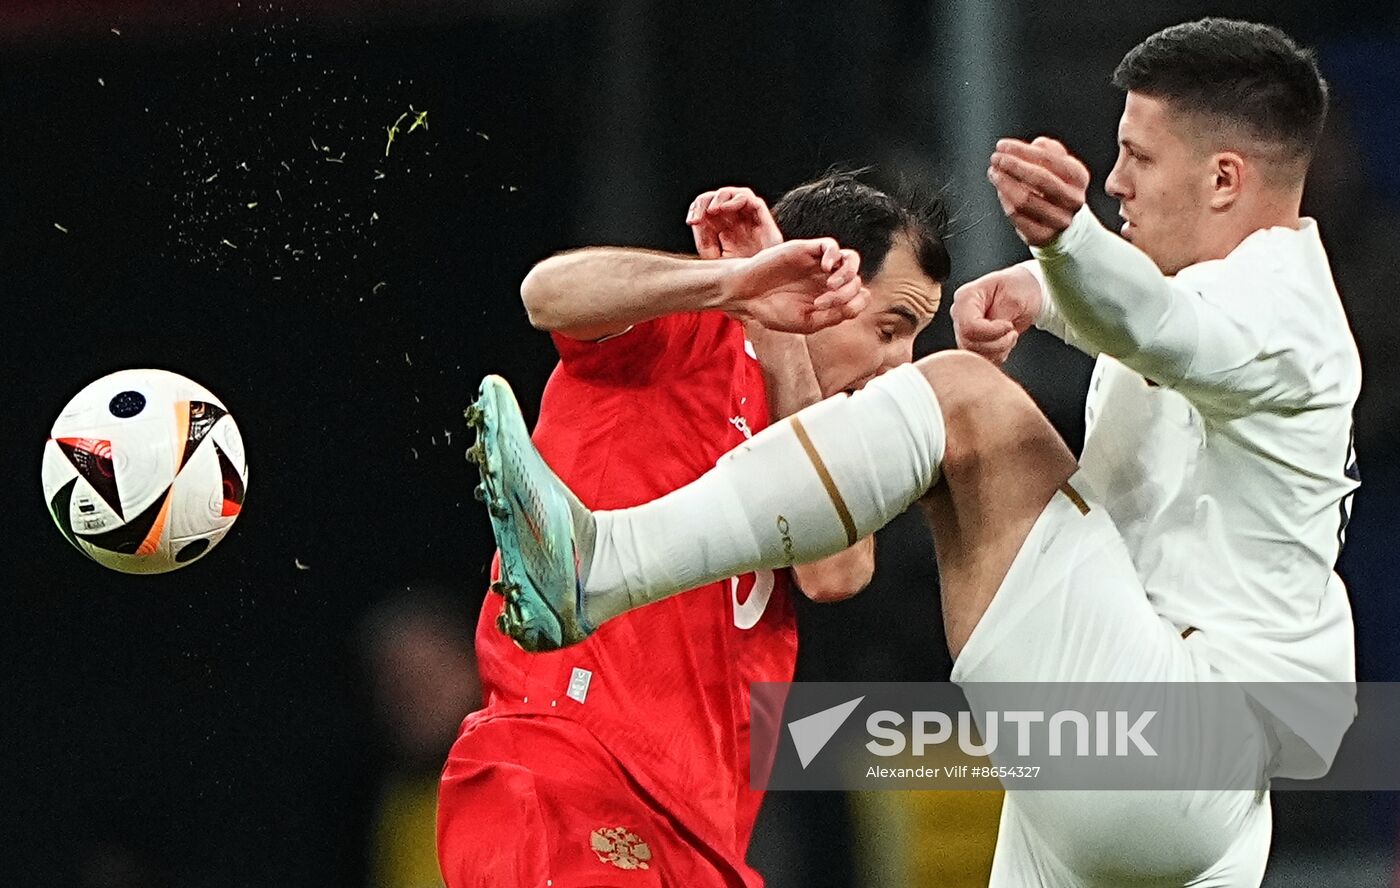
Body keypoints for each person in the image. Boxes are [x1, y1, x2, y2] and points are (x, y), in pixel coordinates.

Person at [470, 18, 1360, 887]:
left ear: (1224, 179)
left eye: (1139, 156)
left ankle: (606, 563)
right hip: (1192, 796)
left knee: (964, 400)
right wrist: (1035, 291)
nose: (1116, 182)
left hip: (1173, 736)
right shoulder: (1246, 307)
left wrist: (1066, 244)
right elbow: (550, 291)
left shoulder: (1275, 305)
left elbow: (1160, 327)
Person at [438, 172, 951, 886]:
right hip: (573, 770)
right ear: (821, 278)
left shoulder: (813, 437)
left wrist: (781, 340)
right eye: (890, 329)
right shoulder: (688, 333)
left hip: (702, 831)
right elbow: (546, 293)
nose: (901, 363)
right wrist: (735, 284)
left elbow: (836, 574)